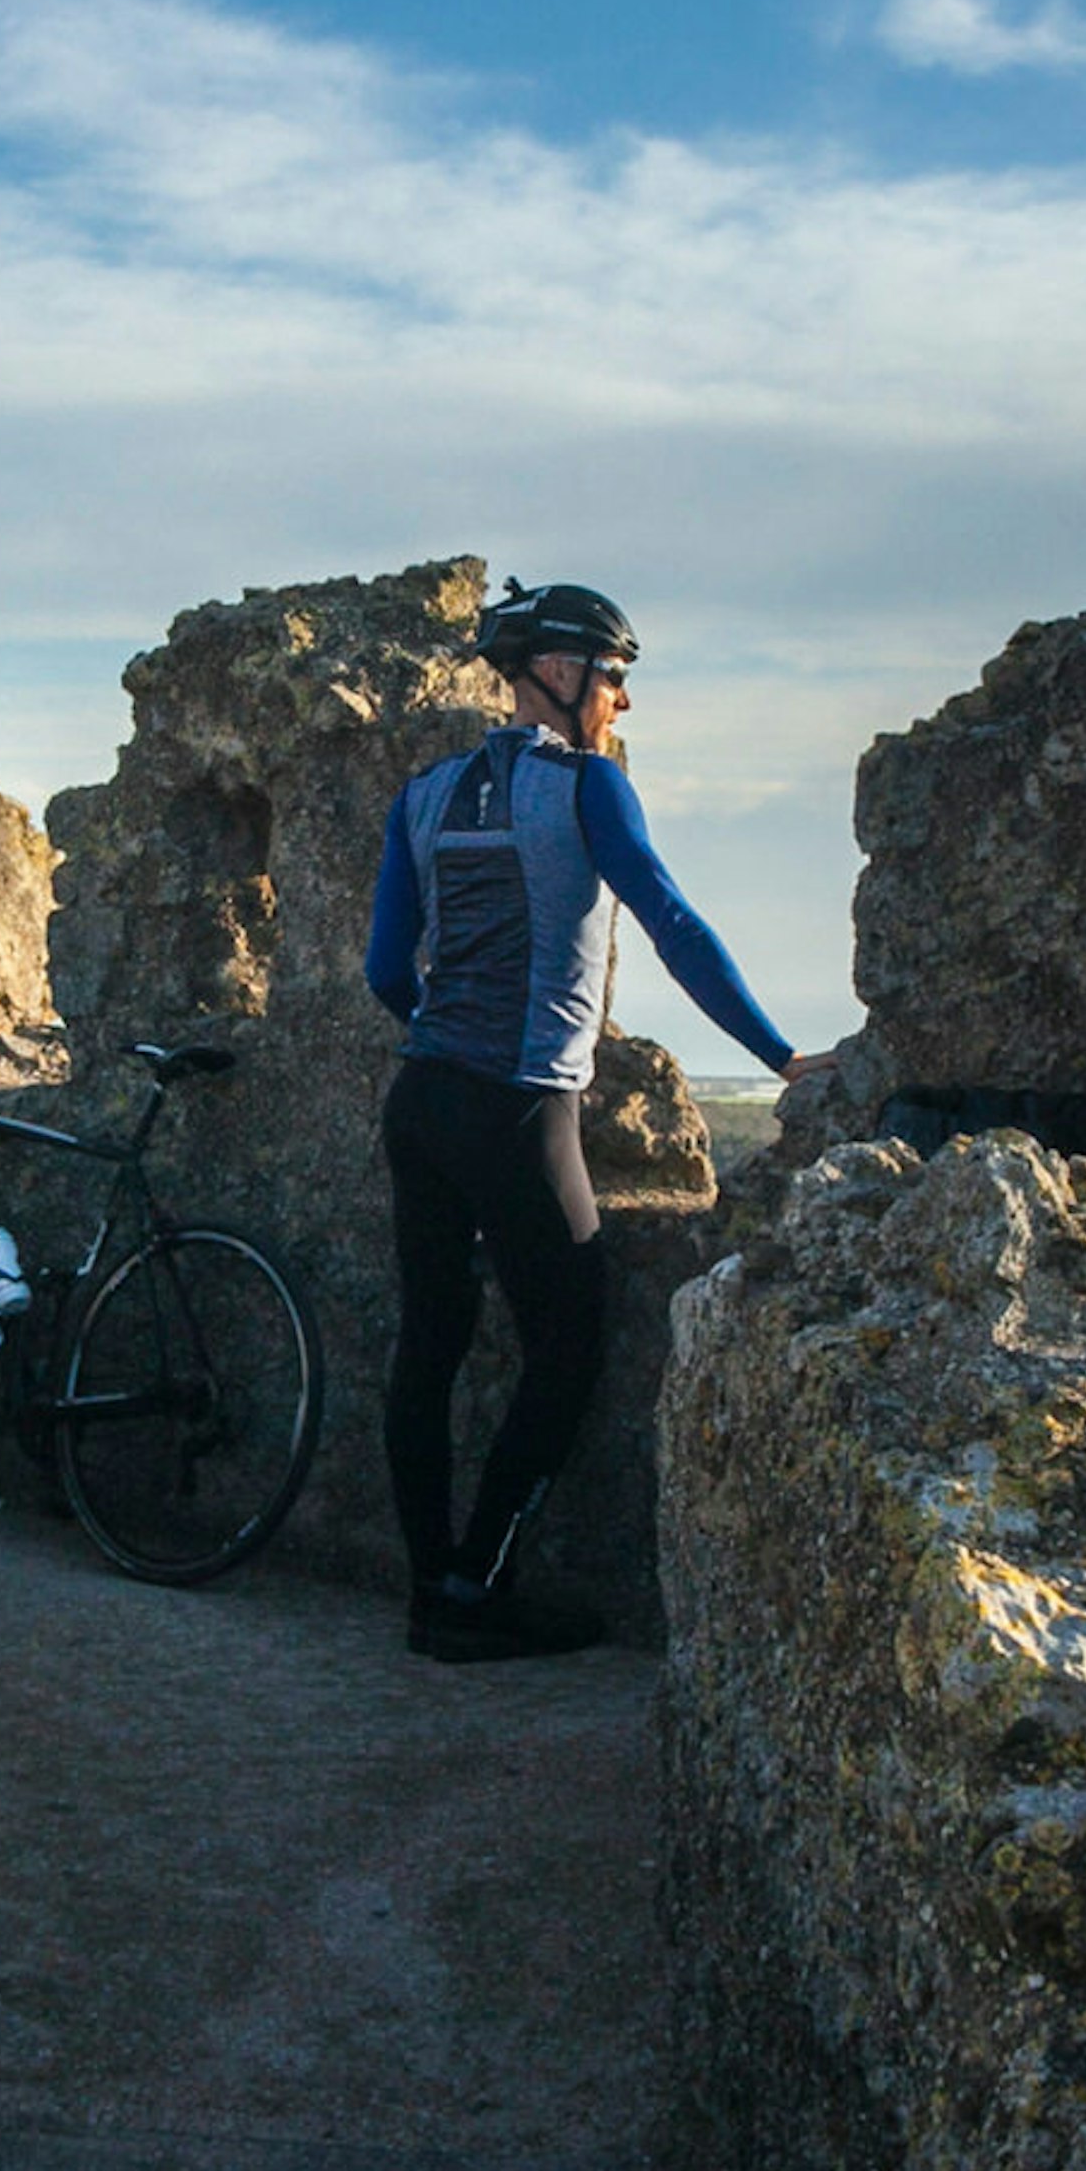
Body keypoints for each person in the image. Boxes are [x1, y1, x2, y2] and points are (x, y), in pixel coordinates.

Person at [364, 577, 825, 1662]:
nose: (623, 702)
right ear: (560, 674)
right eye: (615, 677)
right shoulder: (589, 790)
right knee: (568, 1344)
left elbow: (389, 968)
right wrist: (779, 1056)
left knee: (428, 1345)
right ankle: (479, 1588)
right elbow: (670, 921)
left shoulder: (423, 794)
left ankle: (432, 1590)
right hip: (519, 1106)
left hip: (420, 1099)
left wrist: (444, 1035)